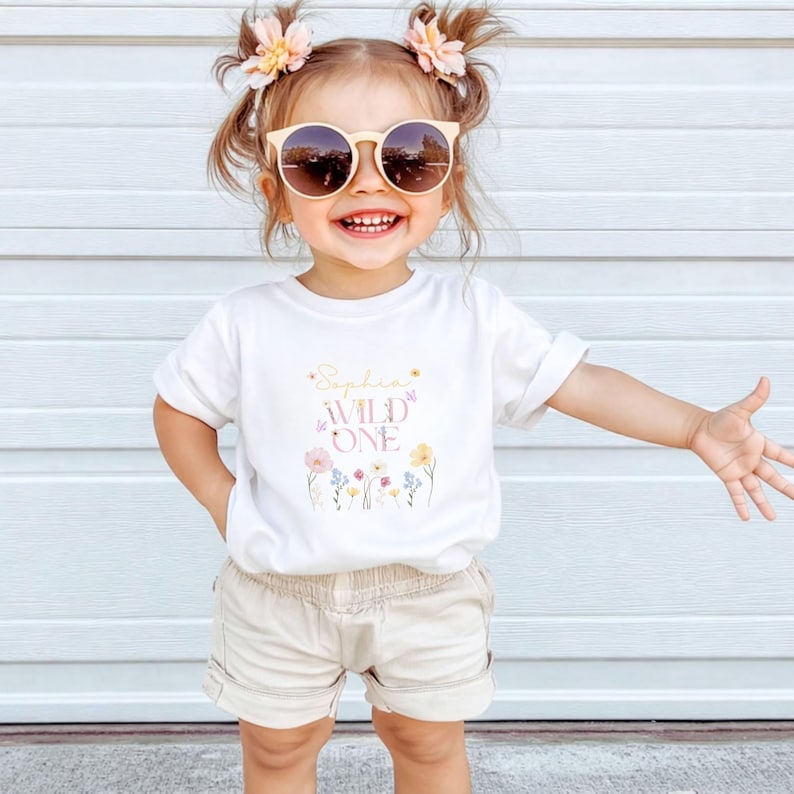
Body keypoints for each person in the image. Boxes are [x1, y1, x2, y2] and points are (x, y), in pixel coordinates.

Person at [152, 3, 794, 792]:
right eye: (321, 162)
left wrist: (695, 425)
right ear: (279, 193)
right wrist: (226, 505)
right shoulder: (245, 322)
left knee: (425, 745)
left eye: (408, 157)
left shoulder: (471, 316)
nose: (367, 184)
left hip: (430, 591)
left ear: (447, 184)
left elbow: (579, 383)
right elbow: (178, 408)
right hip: (279, 593)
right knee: (279, 751)